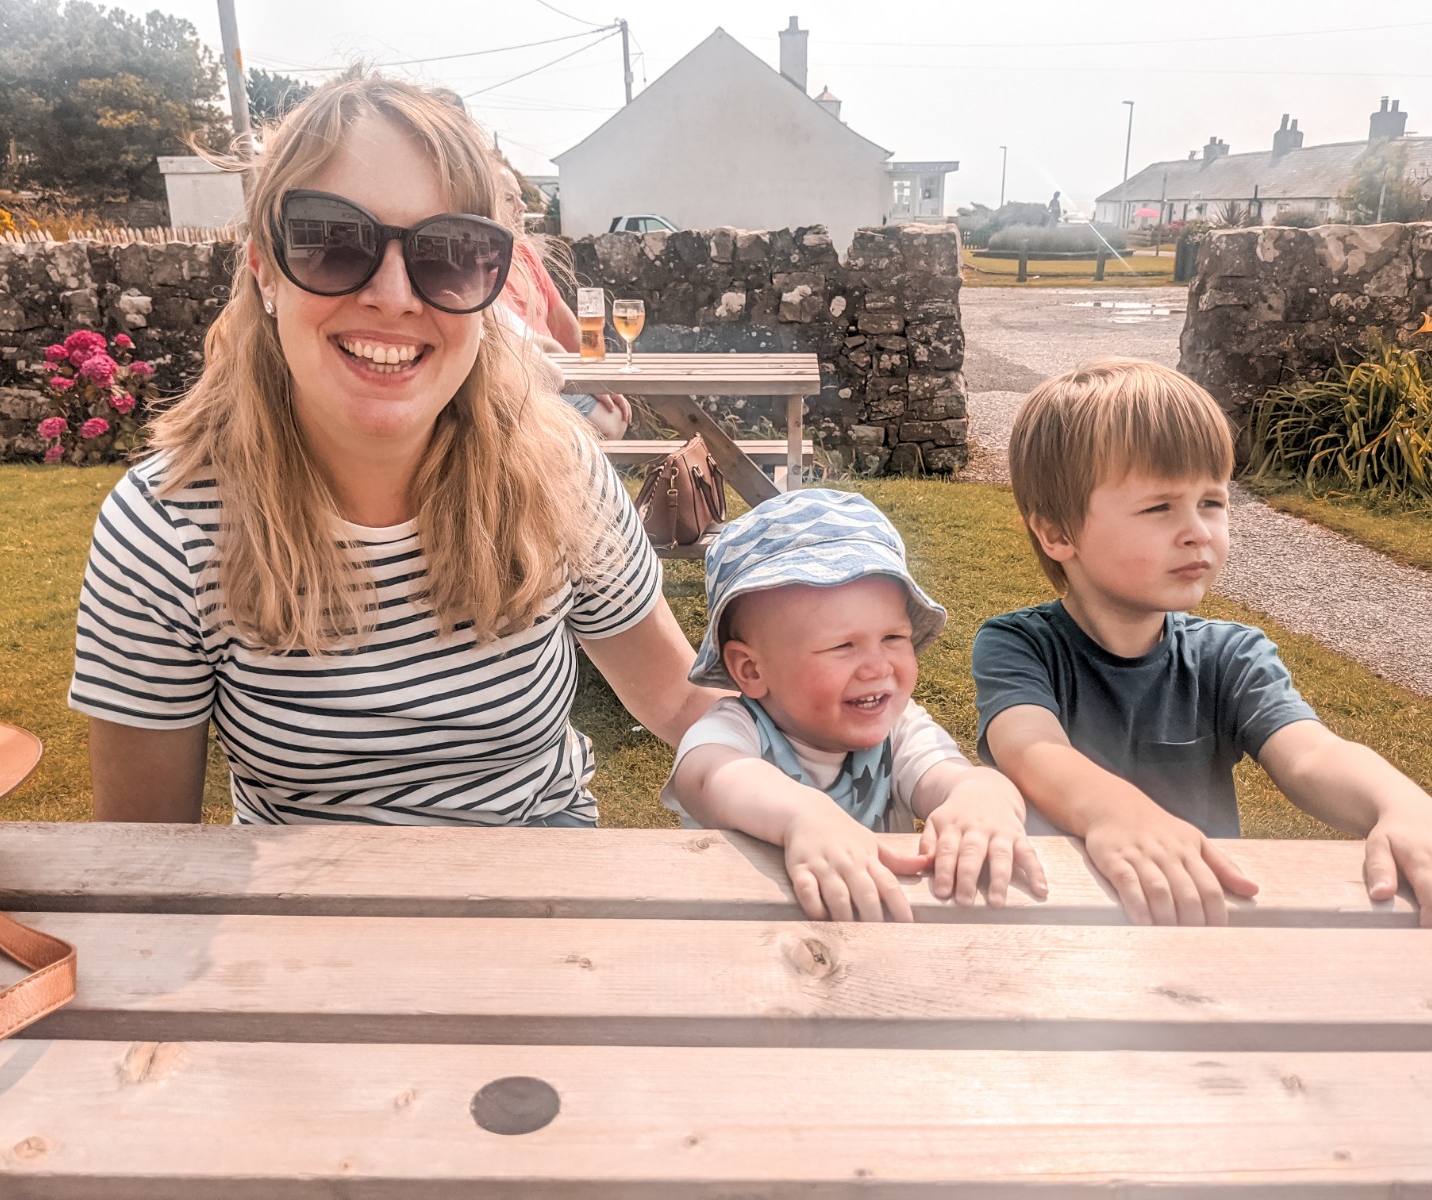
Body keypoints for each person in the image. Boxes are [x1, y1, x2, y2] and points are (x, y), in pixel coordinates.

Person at [70, 71, 723, 827]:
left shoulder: (558, 474)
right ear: (264, 270)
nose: (394, 294)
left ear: (490, 288)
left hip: (542, 905)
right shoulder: (167, 528)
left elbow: (679, 698)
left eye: (448, 254)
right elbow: (147, 851)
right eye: (331, 240)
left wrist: (864, 753)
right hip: (303, 925)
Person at [974, 358, 1432, 928]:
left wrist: (1402, 805)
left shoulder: (1231, 655)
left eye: (1212, 502)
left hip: (1203, 921)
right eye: (1159, 507)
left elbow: (1310, 754)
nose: (1198, 530)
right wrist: (1118, 815)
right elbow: (1031, 750)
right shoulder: (1018, 645)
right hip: (1063, 921)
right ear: (1057, 533)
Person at [663, 489, 1048, 922]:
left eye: (893, 638)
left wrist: (981, 796)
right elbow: (707, 777)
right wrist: (802, 816)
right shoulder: (734, 731)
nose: (877, 666)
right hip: (749, 943)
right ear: (752, 670)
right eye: (842, 646)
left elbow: (953, 779)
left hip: (868, 938)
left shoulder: (899, 730)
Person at [496, 164, 630, 440]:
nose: (522, 205)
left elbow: (564, 324)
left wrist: (595, 377)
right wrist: (585, 382)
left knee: (616, 418)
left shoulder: (525, 253)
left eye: (520, 196)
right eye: (509, 198)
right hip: (529, 387)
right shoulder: (475, 267)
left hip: (561, 377)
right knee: (612, 423)